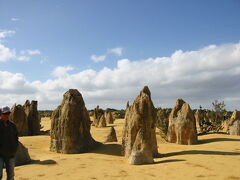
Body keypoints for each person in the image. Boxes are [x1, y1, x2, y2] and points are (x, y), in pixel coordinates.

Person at [0, 106, 18, 180]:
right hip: (0, 154)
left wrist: (14, 148)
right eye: (5, 114)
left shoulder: (12, 125)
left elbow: (16, 138)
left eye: (8, 113)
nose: (7, 115)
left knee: (11, 175)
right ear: (1, 114)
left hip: (10, 154)